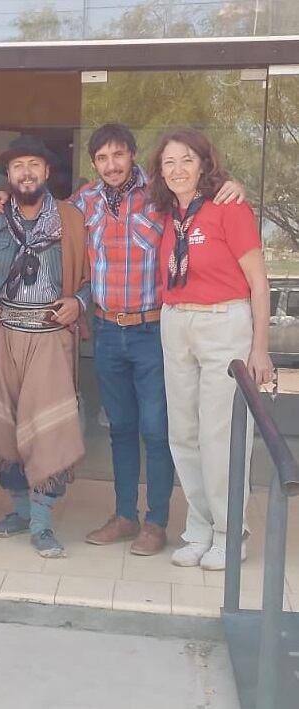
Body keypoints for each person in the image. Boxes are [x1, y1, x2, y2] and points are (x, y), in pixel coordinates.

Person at [0, 124, 246, 556]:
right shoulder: (83, 202)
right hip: (106, 331)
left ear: (132, 155)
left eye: (119, 155)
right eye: (103, 158)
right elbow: (38, 207)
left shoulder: (160, 194)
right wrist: (1, 196)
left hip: (152, 330)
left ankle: (156, 521)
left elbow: (198, 197)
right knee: (121, 429)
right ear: (94, 163)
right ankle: (125, 516)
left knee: (157, 430)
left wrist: (229, 185)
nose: (112, 165)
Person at [0, 135, 90, 559]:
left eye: (34, 165)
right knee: (5, 429)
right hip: (3, 334)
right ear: (7, 176)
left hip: (50, 336)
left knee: (49, 429)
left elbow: (96, 273)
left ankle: (43, 523)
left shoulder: (71, 219)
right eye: (17, 166)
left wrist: (78, 302)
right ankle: (22, 511)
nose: (26, 173)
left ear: (46, 172)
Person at [148, 128, 272, 570]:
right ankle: (199, 527)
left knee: (220, 435)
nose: (177, 169)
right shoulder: (166, 214)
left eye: (186, 160)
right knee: (183, 432)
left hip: (224, 321)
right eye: (169, 162)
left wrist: (260, 347)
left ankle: (229, 531)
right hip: (177, 320)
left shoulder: (228, 207)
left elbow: (259, 281)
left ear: (203, 164)